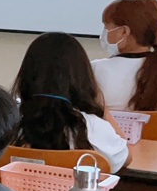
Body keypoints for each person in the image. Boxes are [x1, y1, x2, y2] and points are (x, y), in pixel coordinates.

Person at [12, 32, 128, 172]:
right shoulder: (93, 127)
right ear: (82, 78)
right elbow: (125, 157)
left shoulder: (8, 120)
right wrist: (103, 110)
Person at [93, 0, 157, 119]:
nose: (104, 32)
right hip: (155, 138)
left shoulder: (95, 69)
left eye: (106, 27)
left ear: (124, 32)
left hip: (111, 137)